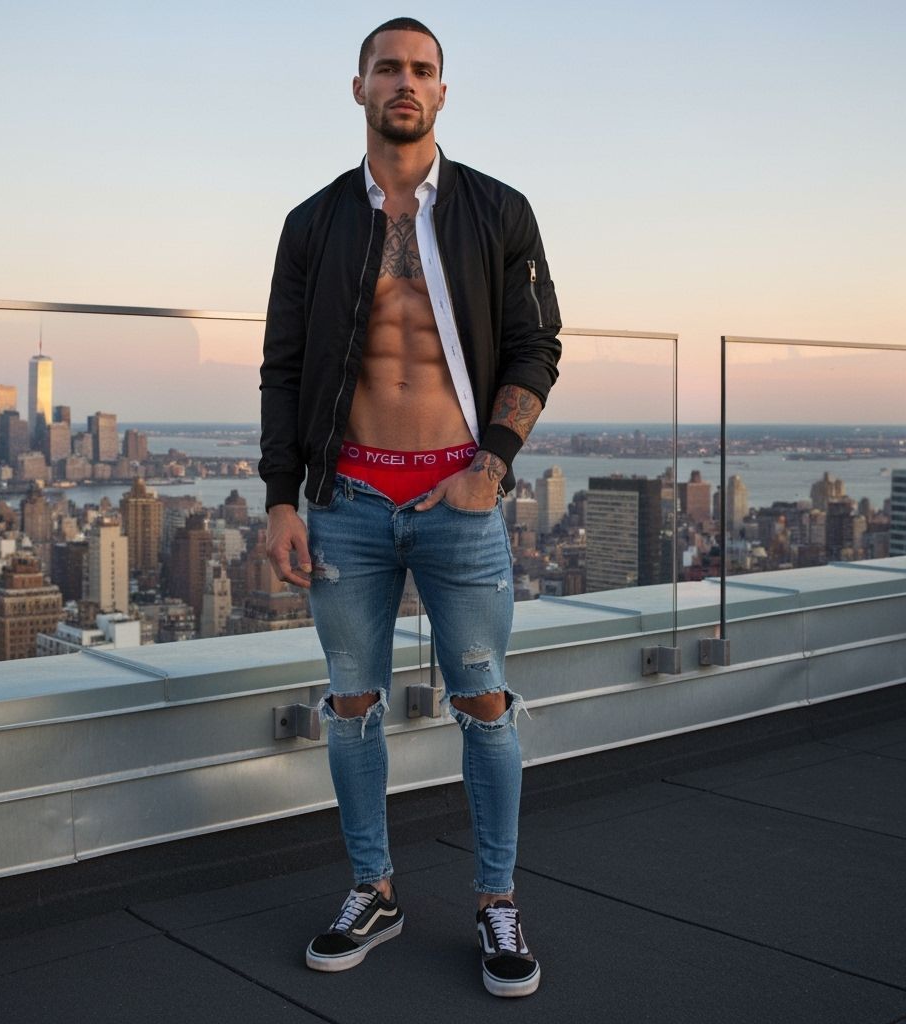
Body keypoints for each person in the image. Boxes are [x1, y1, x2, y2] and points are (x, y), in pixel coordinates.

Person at [258, 16, 561, 998]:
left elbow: (536, 344)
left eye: (422, 70)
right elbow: (284, 367)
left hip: (457, 503)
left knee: (482, 701)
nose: (404, 81)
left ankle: (495, 899)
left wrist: (494, 465)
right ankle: (372, 887)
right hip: (345, 496)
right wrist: (278, 498)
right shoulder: (313, 223)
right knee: (350, 704)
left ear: (442, 93)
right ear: (357, 88)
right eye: (387, 67)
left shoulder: (498, 211)